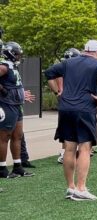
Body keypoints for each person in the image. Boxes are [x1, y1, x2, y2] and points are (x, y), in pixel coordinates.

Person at [45, 40, 97, 201]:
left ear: (84, 50)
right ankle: (81, 188)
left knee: (69, 148)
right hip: (85, 109)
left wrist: (57, 93)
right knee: (85, 148)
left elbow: (48, 73)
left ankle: (71, 187)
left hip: (66, 109)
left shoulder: (68, 62)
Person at [0, 41, 34, 178]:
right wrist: (3, 90)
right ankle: (2, 168)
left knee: (17, 136)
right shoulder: (3, 66)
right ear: (11, 54)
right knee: (4, 137)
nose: (19, 56)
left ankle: (17, 166)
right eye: (17, 54)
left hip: (16, 105)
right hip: (6, 104)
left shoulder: (12, 65)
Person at [56, 47, 80, 164]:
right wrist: (59, 91)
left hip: (72, 101)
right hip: (69, 102)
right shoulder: (64, 68)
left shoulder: (68, 68)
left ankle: (79, 149)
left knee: (73, 126)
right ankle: (64, 152)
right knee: (66, 127)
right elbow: (54, 78)